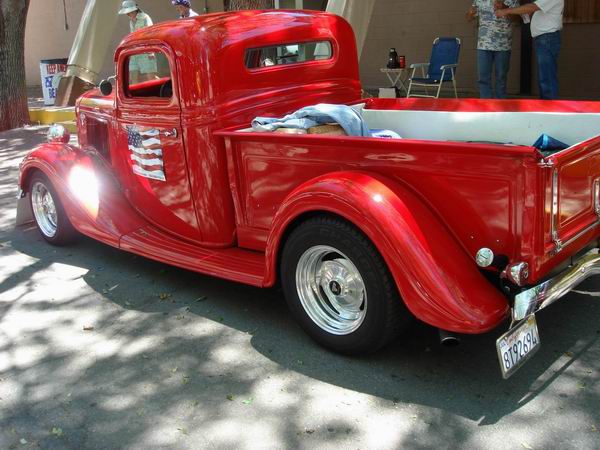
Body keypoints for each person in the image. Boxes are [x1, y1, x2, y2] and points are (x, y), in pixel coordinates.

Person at [496, 0, 564, 99]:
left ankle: (550, 105)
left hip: (547, 38)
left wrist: (506, 11)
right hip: (545, 39)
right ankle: (546, 104)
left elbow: (532, 7)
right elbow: (529, 12)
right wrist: (505, 8)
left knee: (547, 77)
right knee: (544, 76)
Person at [467, 0, 519, 99]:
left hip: (503, 45)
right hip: (483, 45)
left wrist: (505, 8)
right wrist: (470, 14)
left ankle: (500, 104)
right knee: (483, 79)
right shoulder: (479, 1)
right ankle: (486, 105)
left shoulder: (512, 1)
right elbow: (469, 18)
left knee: (501, 78)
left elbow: (518, 20)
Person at [118, 1, 157, 83]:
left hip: (146, 51)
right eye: (127, 13)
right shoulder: (131, 21)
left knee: (151, 77)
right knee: (133, 76)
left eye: (129, 12)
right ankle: (134, 91)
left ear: (134, 10)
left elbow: (152, 33)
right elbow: (132, 35)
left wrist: (151, 51)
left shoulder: (145, 18)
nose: (128, 14)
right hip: (135, 52)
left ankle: (163, 87)